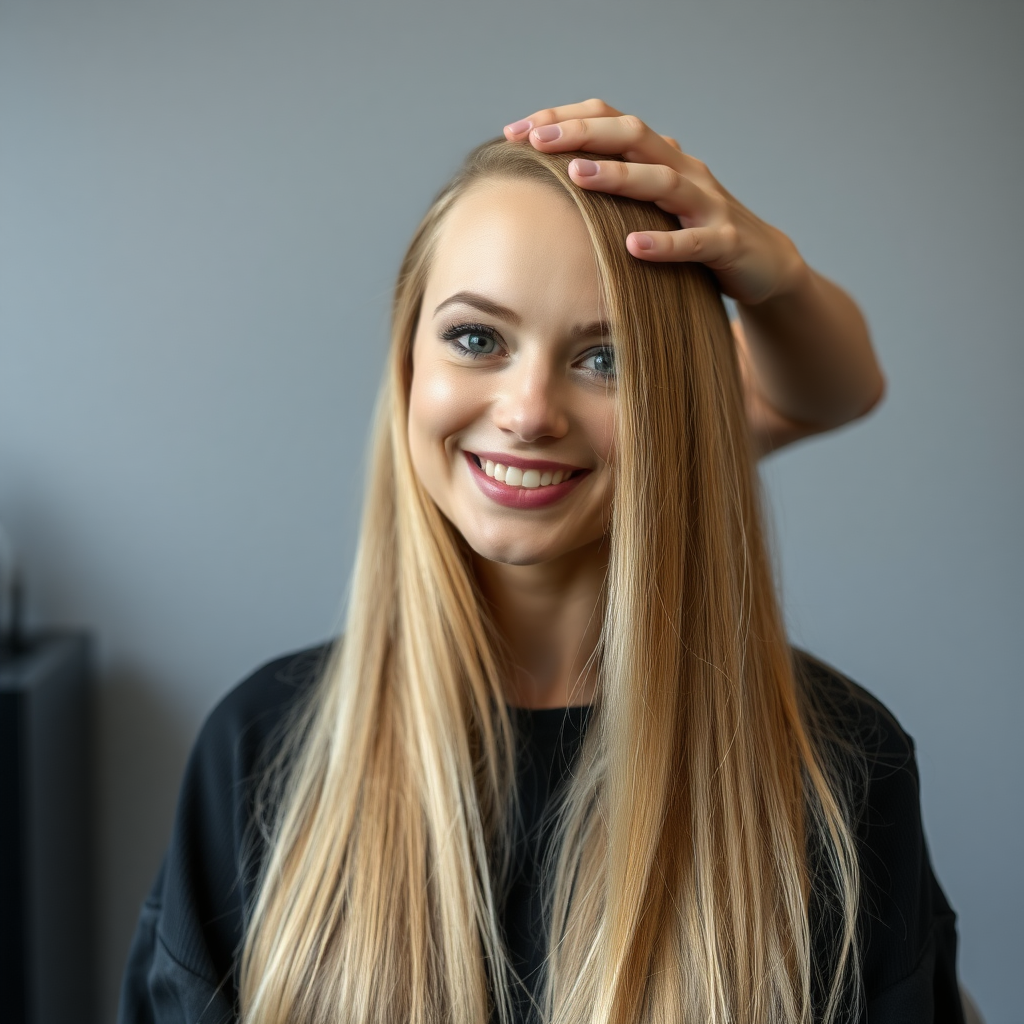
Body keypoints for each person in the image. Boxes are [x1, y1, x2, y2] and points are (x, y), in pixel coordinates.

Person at [120, 100, 964, 1024]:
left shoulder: (839, 768)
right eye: (476, 338)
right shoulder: (258, 752)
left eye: (605, 359)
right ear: (408, 364)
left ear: (676, 409)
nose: (528, 412)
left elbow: (838, 388)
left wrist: (780, 271)